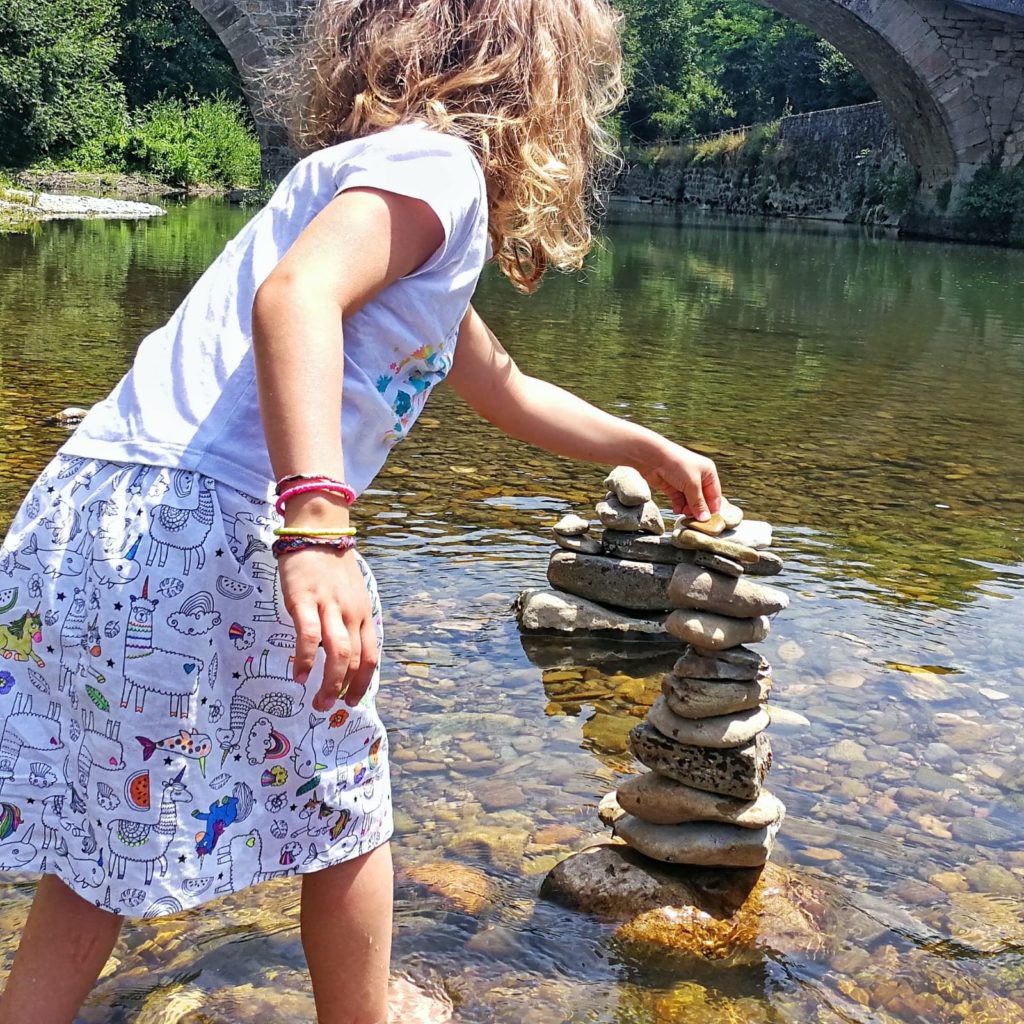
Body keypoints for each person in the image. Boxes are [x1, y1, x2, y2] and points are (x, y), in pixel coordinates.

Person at [0, 1, 721, 1022]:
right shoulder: (437, 171)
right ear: (538, 79)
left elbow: (500, 383)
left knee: (104, 830)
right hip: (215, 520)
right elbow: (296, 297)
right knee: (343, 803)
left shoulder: (372, 187)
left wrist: (642, 445)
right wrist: (317, 527)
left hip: (94, 510)